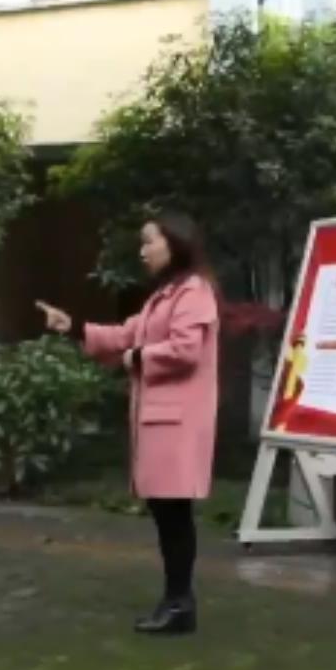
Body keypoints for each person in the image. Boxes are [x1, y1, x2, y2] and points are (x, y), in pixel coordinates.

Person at [38, 212, 220, 635]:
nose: (143, 251)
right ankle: (177, 602)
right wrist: (73, 327)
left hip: (177, 422)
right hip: (162, 421)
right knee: (166, 513)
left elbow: (186, 350)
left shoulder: (194, 292)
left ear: (174, 243)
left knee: (174, 514)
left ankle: (179, 604)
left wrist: (136, 358)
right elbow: (124, 334)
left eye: (149, 241)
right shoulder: (165, 295)